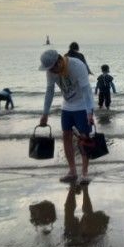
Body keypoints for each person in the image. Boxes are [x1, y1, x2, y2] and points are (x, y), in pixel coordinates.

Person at [37, 49, 96, 184]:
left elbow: (87, 91)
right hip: (67, 106)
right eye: (48, 70)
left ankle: (85, 173)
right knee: (66, 136)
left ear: (59, 61)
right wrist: (45, 114)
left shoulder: (77, 66)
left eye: (52, 68)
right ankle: (72, 171)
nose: (51, 72)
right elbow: (50, 91)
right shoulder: (50, 71)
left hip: (82, 105)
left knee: (84, 138)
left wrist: (89, 112)